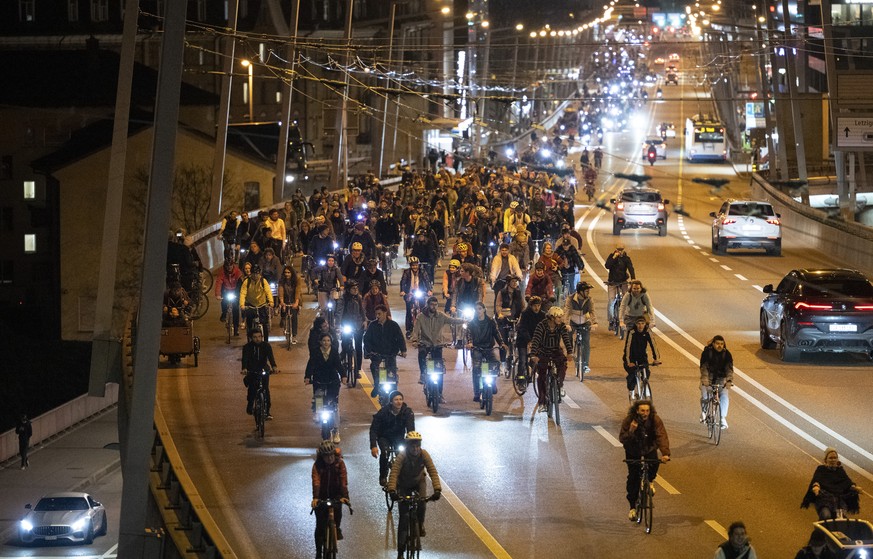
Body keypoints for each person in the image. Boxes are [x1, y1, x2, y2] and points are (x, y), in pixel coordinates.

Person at [387, 431, 441, 559]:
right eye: (413, 446)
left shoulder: (424, 454)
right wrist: (392, 490)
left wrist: (437, 489)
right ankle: (400, 552)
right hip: (404, 484)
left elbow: (432, 470)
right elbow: (394, 473)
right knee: (404, 517)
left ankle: (420, 524)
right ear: (408, 447)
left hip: (418, 482)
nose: (416, 449)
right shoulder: (402, 456)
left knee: (422, 503)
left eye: (418, 446)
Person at [619, 400, 671, 521]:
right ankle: (632, 507)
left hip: (649, 447)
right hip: (633, 450)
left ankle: (650, 480)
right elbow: (622, 438)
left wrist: (665, 454)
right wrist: (631, 431)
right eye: (642, 410)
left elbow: (661, 436)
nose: (645, 413)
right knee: (633, 477)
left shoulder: (655, 420)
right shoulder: (629, 420)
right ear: (637, 410)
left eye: (647, 410)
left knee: (654, 462)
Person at [411, 296, 466, 388]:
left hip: (438, 344)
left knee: (439, 369)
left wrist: (464, 321)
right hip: (425, 343)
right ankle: (423, 374)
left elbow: (452, 320)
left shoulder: (441, 315)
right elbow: (416, 330)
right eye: (432, 304)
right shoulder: (420, 316)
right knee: (421, 354)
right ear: (428, 305)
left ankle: (439, 394)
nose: (434, 307)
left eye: (436, 305)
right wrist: (415, 340)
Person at [311, 440, 349, 559]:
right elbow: (316, 482)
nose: (330, 458)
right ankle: (318, 552)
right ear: (322, 456)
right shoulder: (317, 465)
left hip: (336, 494)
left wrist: (345, 497)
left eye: (331, 455)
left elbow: (343, 481)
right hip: (321, 497)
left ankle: (336, 528)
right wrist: (316, 498)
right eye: (326, 456)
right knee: (320, 526)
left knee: (338, 512)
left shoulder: (340, 463)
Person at [530, 306, 573, 412]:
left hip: (556, 351)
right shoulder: (541, 326)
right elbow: (536, 340)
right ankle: (542, 402)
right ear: (552, 318)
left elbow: (566, 339)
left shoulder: (561, 326)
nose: (560, 319)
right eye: (558, 317)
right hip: (543, 352)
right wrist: (533, 355)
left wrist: (570, 352)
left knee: (563, 364)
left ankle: (559, 385)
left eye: (561, 317)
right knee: (542, 377)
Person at [369, 391, 416, 486]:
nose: (399, 402)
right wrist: (373, 446)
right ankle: (383, 476)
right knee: (385, 453)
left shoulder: (407, 412)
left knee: (403, 455)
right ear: (391, 402)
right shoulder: (383, 412)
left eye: (400, 399)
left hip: (399, 438)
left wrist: (412, 444)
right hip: (384, 437)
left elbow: (411, 429)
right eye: (396, 400)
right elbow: (374, 429)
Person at [801, 448, 860, 520]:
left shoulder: (840, 471)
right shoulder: (821, 470)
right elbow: (816, 480)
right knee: (826, 515)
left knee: (841, 520)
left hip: (839, 502)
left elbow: (847, 482)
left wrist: (853, 487)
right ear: (826, 460)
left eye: (835, 458)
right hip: (824, 500)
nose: (833, 460)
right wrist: (816, 487)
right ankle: (821, 530)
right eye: (830, 458)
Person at [305, 333, 344, 443]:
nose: (326, 343)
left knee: (334, 405)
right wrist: (307, 377)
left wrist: (344, 375)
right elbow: (310, 364)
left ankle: (336, 430)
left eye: (328, 340)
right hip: (319, 380)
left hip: (333, 381)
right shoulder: (315, 352)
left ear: (331, 342)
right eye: (324, 340)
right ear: (320, 342)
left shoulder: (334, 351)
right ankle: (318, 413)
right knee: (318, 398)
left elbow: (338, 365)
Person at [465, 302, 508, 402]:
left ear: (484, 309)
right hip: (477, 348)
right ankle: (477, 393)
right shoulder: (472, 323)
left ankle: (492, 383)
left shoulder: (490, 322)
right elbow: (469, 335)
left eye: (480, 309)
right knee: (476, 368)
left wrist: (501, 343)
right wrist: (470, 343)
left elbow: (496, 333)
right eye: (476, 309)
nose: (478, 311)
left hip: (489, 348)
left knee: (495, 363)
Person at [364, 305, 408, 397]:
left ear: (385, 313)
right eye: (376, 314)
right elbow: (367, 339)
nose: (377, 316)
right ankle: (376, 385)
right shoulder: (372, 325)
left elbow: (400, 338)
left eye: (379, 314)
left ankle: (394, 393)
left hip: (390, 354)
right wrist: (369, 352)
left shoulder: (393, 325)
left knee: (392, 373)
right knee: (374, 367)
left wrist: (403, 350)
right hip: (377, 354)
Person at [240, 328, 278, 420]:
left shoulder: (266, 346)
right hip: (252, 370)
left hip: (263, 369)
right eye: (255, 337)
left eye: (259, 337)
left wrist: (274, 367)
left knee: (266, 390)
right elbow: (244, 359)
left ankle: (267, 411)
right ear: (251, 338)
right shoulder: (247, 347)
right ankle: (250, 405)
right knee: (252, 388)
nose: (257, 339)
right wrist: (244, 369)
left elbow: (271, 357)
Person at [699, 335, 733, 429]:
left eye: (722, 344)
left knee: (724, 396)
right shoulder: (707, 353)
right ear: (713, 344)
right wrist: (705, 380)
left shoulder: (727, 354)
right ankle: (704, 412)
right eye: (717, 343)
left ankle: (722, 418)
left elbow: (729, 369)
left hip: (721, 380)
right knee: (705, 396)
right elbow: (703, 367)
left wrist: (729, 380)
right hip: (708, 379)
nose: (720, 346)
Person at [623, 316, 661, 400]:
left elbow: (653, 345)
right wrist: (629, 361)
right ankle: (632, 392)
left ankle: (645, 387)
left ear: (645, 324)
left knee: (646, 372)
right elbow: (627, 347)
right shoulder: (632, 332)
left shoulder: (647, 331)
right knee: (632, 375)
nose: (640, 326)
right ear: (636, 324)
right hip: (631, 357)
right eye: (638, 324)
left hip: (642, 356)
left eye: (642, 323)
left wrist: (656, 358)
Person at [564, 281, 596, 376]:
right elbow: (567, 311)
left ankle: (585, 364)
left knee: (586, 342)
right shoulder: (570, 299)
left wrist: (594, 323)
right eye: (586, 291)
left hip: (584, 322)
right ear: (580, 292)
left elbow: (592, 311)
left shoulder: (589, 300)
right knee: (568, 337)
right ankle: (570, 353)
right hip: (573, 323)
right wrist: (566, 324)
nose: (588, 293)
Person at [399, 256, 433, 338]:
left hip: (420, 292)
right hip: (409, 293)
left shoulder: (422, 271)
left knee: (423, 310)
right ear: (410, 265)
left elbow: (427, 281)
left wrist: (429, 290)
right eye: (413, 265)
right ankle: (409, 330)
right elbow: (403, 282)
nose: (415, 267)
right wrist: (403, 291)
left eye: (416, 265)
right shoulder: (406, 272)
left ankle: (425, 328)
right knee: (408, 311)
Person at [239, 264, 274, 342]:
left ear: (260, 273)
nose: (255, 276)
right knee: (249, 324)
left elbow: (268, 291)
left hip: (262, 304)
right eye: (253, 274)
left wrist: (271, 302)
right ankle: (249, 340)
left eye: (257, 274)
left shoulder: (263, 281)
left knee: (264, 324)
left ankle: (266, 342)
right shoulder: (247, 282)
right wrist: (242, 304)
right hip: (251, 305)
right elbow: (243, 293)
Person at [494, 275, 524, 366]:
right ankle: (503, 361)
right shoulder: (502, 292)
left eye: (516, 282)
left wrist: (522, 315)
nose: (515, 283)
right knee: (503, 340)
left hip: (516, 318)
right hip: (504, 318)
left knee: (520, 338)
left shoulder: (518, 292)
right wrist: (500, 314)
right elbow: (498, 305)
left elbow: (522, 305)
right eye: (513, 282)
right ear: (508, 283)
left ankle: (518, 357)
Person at [517, 296, 546, 381]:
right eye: (534, 306)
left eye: (538, 305)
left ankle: (532, 365)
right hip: (523, 339)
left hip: (536, 340)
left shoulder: (543, 315)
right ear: (530, 306)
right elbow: (523, 328)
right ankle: (520, 380)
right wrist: (529, 340)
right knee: (522, 360)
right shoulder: (525, 314)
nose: (537, 308)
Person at [605, 244, 635, 323]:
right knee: (611, 300)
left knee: (626, 298)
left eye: (621, 250)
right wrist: (614, 257)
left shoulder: (626, 258)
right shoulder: (611, 256)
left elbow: (631, 268)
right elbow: (607, 266)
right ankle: (611, 320)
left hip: (623, 281)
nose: (620, 251)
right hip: (612, 282)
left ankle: (627, 316)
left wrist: (633, 278)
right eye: (618, 249)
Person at [215, 257, 243, 335]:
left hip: (235, 290)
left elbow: (240, 284)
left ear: (232, 265)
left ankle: (236, 328)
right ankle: (224, 313)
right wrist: (218, 294)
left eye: (230, 265)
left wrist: (239, 295)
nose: (229, 267)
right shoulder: (222, 272)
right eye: (227, 266)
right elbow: (218, 283)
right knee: (223, 301)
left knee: (236, 309)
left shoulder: (237, 272)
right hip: (226, 290)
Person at [277, 265, 302, 345]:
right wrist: (281, 301)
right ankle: (284, 321)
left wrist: (296, 302)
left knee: (294, 316)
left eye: (288, 272)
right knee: (283, 312)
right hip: (285, 299)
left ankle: (294, 335)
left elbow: (298, 291)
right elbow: (280, 290)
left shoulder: (297, 279)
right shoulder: (281, 280)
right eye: (285, 273)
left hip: (294, 299)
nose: (287, 274)